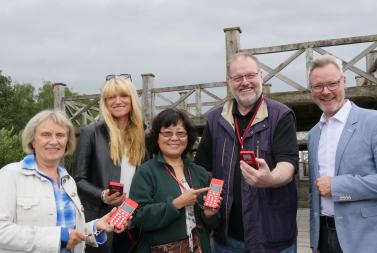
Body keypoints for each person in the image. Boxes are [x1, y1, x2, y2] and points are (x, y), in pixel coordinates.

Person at [194, 52, 299, 253]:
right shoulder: (216, 119)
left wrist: (270, 178)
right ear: (229, 81)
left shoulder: (281, 115)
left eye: (250, 75)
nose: (245, 82)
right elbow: (200, 168)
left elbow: (288, 163)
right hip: (227, 238)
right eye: (238, 77)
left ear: (261, 76)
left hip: (273, 238)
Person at [0, 110, 129, 253]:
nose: (54, 141)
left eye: (60, 135)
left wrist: (95, 226)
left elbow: (70, 232)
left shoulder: (68, 181)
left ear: (67, 142)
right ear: (32, 140)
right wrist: (58, 237)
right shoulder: (11, 175)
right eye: (46, 134)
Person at [308, 55, 377, 253]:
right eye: (318, 86)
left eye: (332, 83)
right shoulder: (314, 133)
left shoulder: (375, 122)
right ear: (310, 90)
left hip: (366, 240)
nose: (325, 92)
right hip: (324, 238)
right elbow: (313, 194)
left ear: (344, 82)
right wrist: (315, 241)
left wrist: (337, 186)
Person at [129, 108, 221, 252]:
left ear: (188, 138)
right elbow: (139, 217)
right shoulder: (145, 172)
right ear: (156, 137)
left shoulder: (200, 172)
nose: (174, 138)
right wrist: (177, 203)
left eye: (180, 133)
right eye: (167, 133)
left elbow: (213, 224)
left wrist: (210, 215)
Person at [75, 74, 145, 253]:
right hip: (102, 222)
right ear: (104, 102)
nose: (117, 101)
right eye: (111, 97)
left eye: (123, 96)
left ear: (132, 99)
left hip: (134, 223)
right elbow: (79, 180)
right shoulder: (90, 133)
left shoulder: (145, 134)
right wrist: (103, 195)